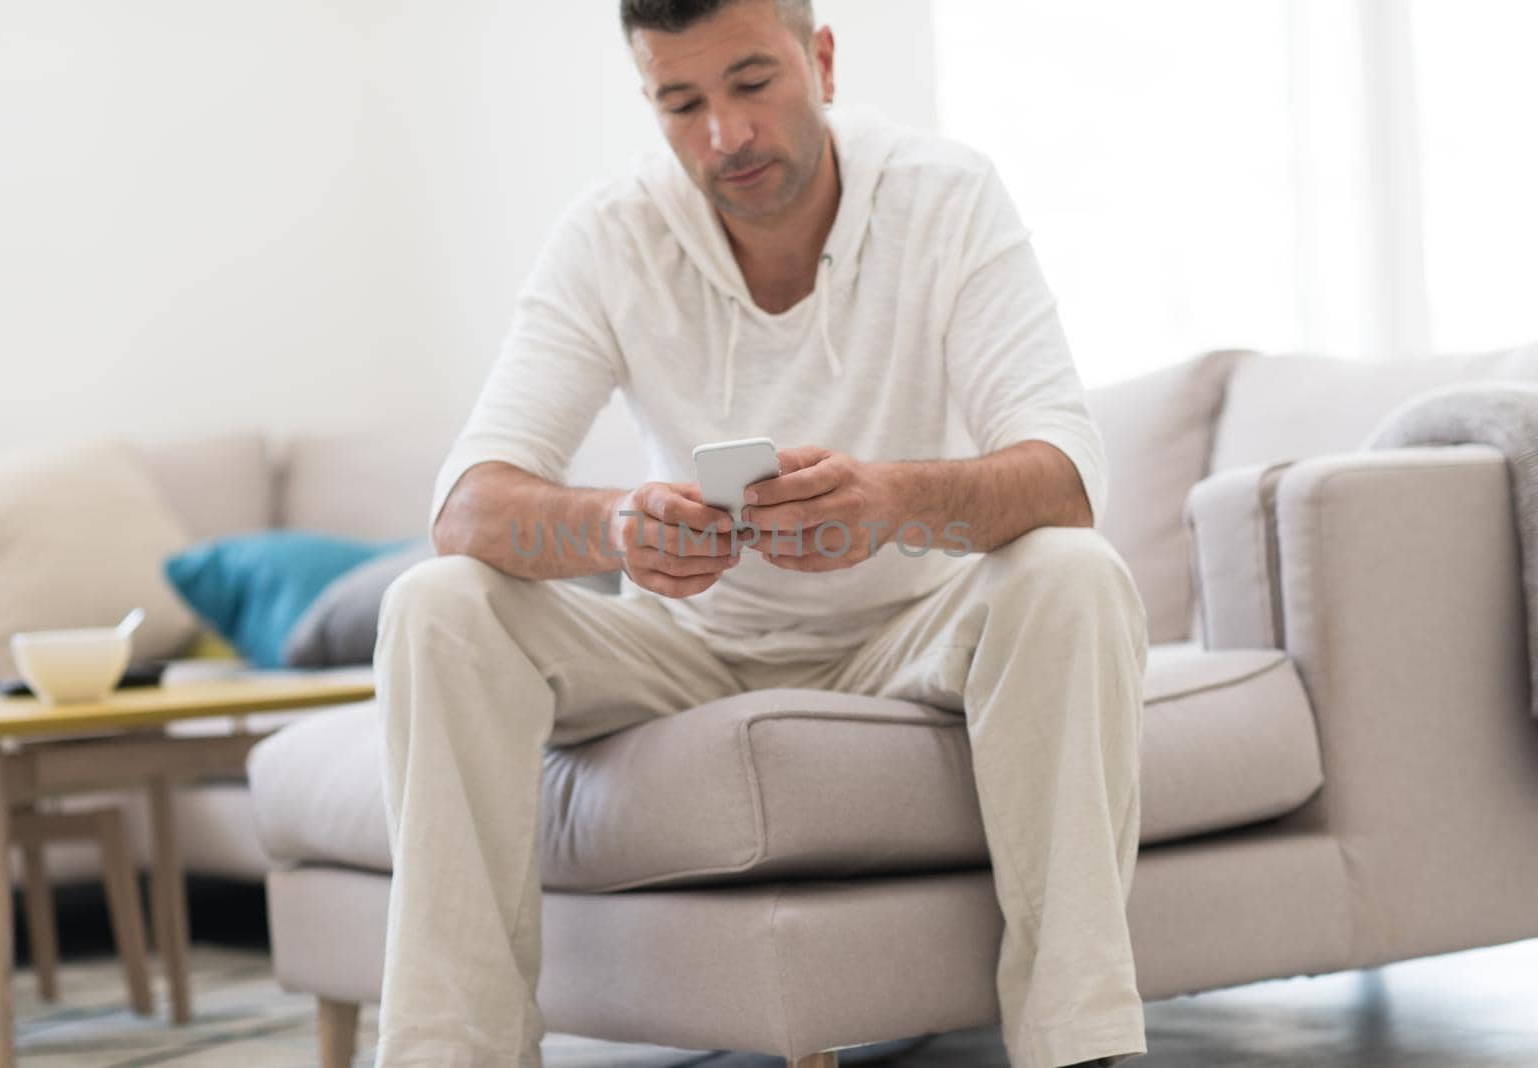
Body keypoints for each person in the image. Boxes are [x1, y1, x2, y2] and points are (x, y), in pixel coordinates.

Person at [373, 1, 1149, 1065]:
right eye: (679, 102)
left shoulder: (944, 196)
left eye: (751, 84)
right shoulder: (611, 235)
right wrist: (616, 529)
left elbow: (1064, 473)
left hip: (904, 637)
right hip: (687, 651)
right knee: (434, 602)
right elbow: (466, 507)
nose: (723, 137)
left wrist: (891, 502)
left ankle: (1081, 1047)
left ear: (820, 60)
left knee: (1071, 569)